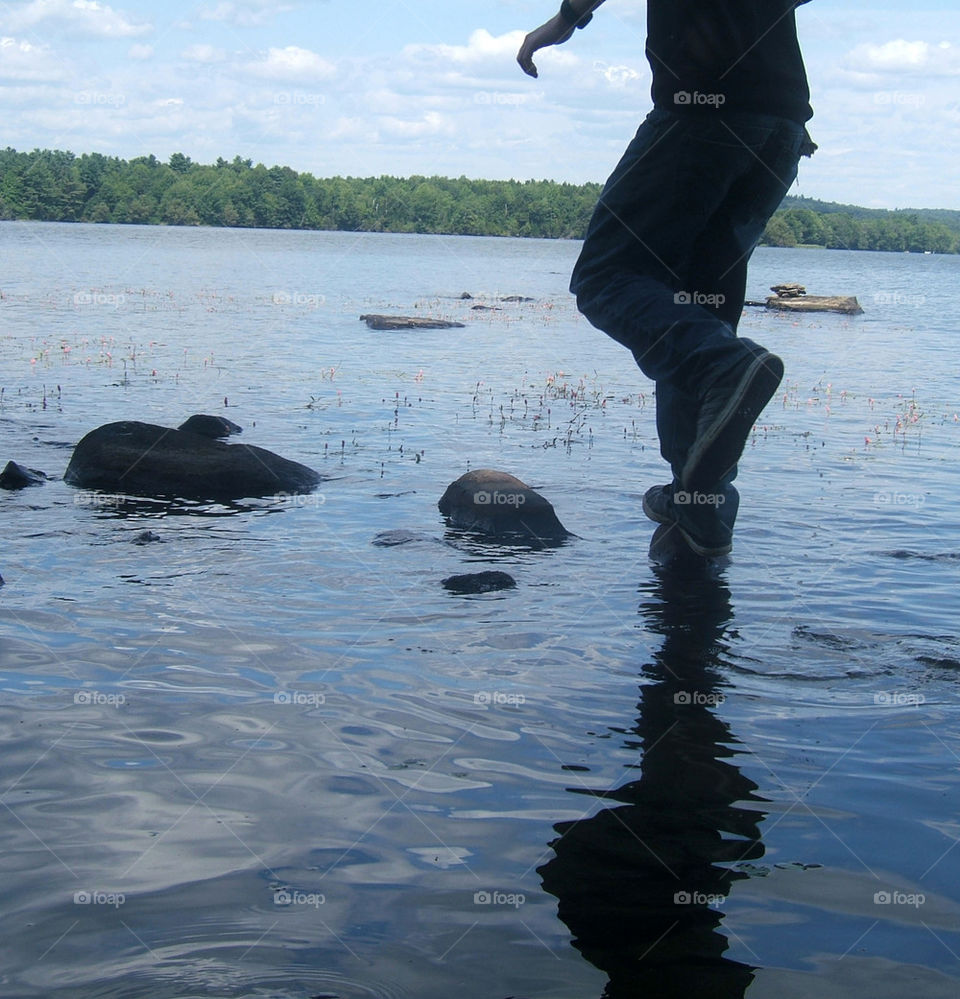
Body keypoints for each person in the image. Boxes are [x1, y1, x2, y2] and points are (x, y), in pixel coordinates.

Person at [518, 1, 815, 557]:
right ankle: (698, 501)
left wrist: (564, 20)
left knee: (607, 277)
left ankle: (726, 370)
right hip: (781, 129)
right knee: (698, 306)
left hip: (703, 117)